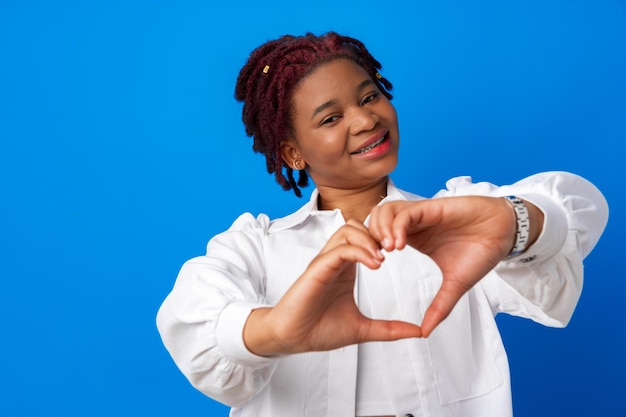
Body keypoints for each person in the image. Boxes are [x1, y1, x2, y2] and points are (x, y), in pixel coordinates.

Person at [156, 32, 608, 417]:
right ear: (293, 153)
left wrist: (514, 222)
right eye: (331, 118)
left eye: (370, 96)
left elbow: (580, 209)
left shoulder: (454, 218)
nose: (366, 119)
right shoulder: (256, 249)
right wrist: (275, 329)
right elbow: (194, 322)